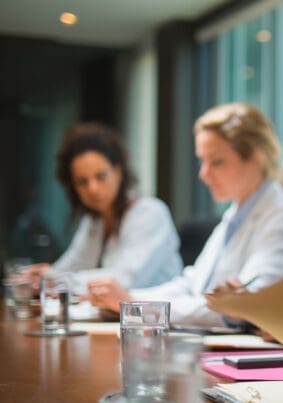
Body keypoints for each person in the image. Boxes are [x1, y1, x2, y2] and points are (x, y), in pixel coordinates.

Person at [86, 103, 283, 327]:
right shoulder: (236, 215)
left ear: (255, 160)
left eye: (216, 162)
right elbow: (193, 285)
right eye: (202, 161)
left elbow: (241, 309)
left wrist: (134, 305)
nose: (203, 174)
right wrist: (125, 300)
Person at [22, 122, 182, 292]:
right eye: (82, 182)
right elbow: (73, 265)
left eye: (101, 176)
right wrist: (41, 277)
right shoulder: (94, 220)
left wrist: (55, 278)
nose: (93, 189)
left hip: (159, 317)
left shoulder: (150, 213)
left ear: (118, 172)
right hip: (116, 316)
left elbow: (125, 280)